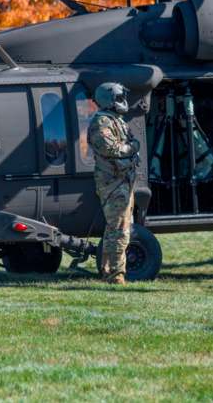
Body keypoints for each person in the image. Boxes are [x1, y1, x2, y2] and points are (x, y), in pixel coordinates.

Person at [88, 82, 140, 285]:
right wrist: (131, 148)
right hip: (113, 183)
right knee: (118, 230)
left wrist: (130, 147)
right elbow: (111, 148)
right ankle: (115, 274)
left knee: (119, 228)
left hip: (124, 181)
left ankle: (110, 270)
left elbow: (130, 143)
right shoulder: (101, 122)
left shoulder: (117, 121)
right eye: (118, 98)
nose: (122, 102)